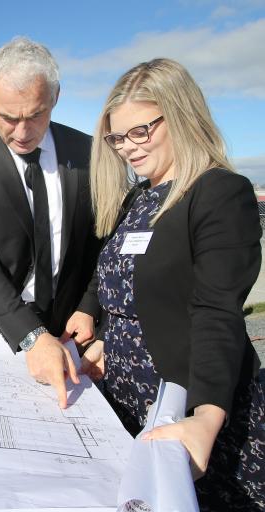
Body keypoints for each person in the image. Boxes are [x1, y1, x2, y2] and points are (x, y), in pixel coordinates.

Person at [84, 58, 264, 510]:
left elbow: (216, 310)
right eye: (118, 137)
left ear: (181, 115)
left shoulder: (219, 192)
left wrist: (206, 417)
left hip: (188, 406)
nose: (127, 148)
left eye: (140, 132)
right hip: (126, 401)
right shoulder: (138, 197)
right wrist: (106, 337)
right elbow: (133, 285)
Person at [0, 37, 102, 408]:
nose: (23, 132)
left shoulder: (90, 153)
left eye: (36, 115)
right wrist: (30, 335)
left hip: (67, 329)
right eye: (8, 118)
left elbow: (100, 242)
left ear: (55, 97)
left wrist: (90, 305)